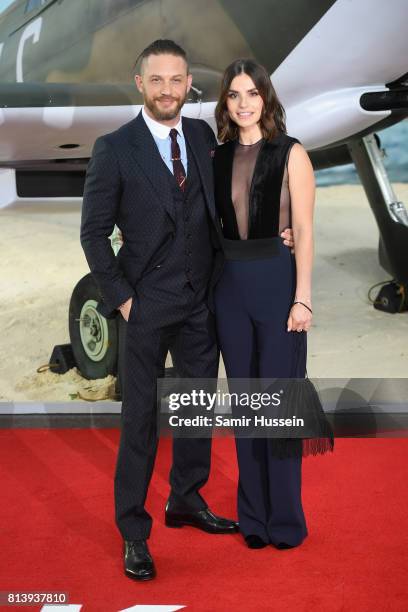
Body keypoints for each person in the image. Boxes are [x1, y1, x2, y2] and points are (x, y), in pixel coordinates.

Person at [80, 40, 295, 580]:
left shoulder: (201, 135)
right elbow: (93, 234)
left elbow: (237, 195)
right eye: (158, 80)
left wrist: (277, 231)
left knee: (196, 409)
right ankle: (134, 530)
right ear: (140, 84)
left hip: (202, 302)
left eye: (178, 81)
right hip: (145, 306)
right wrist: (122, 298)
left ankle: (186, 500)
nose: (169, 90)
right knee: (140, 422)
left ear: (187, 86)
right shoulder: (114, 147)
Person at [213, 58, 316, 550]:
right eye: (235, 95)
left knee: (280, 410)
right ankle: (252, 519)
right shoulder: (217, 157)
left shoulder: (292, 153)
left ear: (266, 98)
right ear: (226, 104)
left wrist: (304, 298)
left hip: (278, 285)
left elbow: (308, 231)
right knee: (248, 411)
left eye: (252, 93)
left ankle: (286, 522)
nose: (244, 103)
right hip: (229, 290)